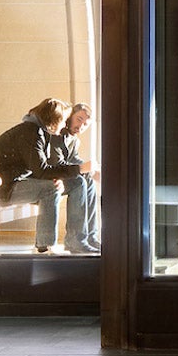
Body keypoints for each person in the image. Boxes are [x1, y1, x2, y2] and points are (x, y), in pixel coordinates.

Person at [0, 98, 92, 254]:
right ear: (54, 119)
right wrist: (78, 168)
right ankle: (44, 248)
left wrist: (60, 176)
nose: (64, 124)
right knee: (50, 189)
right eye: (64, 120)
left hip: (13, 181)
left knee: (77, 183)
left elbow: (38, 167)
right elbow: (41, 170)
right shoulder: (30, 133)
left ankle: (76, 241)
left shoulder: (38, 132)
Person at [56, 102, 102, 255]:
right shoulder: (58, 134)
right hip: (50, 179)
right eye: (79, 119)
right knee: (79, 182)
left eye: (85, 124)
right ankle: (76, 240)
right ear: (70, 117)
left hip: (61, 177)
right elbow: (58, 164)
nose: (80, 125)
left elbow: (75, 161)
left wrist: (92, 170)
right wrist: (86, 169)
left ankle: (90, 236)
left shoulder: (74, 140)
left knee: (88, 180)